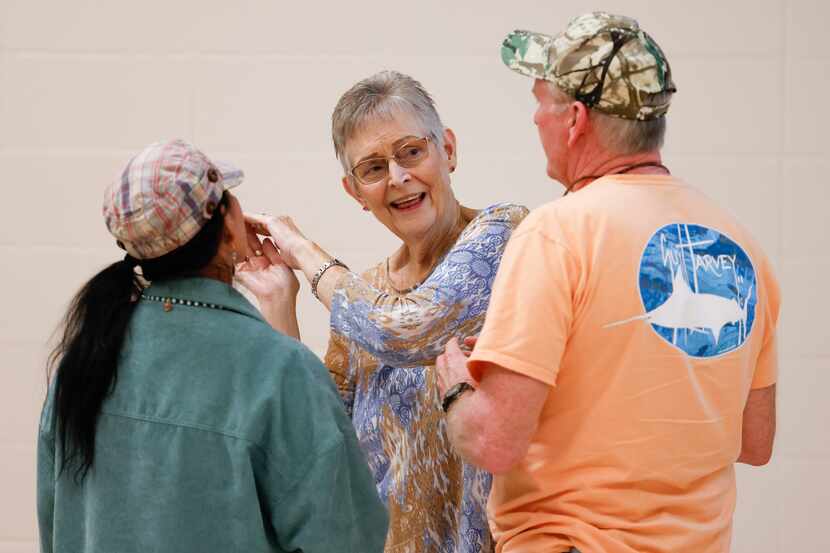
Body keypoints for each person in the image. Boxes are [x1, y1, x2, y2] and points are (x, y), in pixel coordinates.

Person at [435, 12, 780, 553]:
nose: (534, 118)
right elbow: (755, 441)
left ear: (574, 119)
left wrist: (456, 383)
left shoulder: (558, 232)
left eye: (539, 100)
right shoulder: (739, 248)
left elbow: (493, 442)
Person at [37, 139, 388, 553]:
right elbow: (345, 540)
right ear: (228, 226)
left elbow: (57, 527)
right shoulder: (283, 371)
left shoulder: (81, 365)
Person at [244, 71, 527, 553]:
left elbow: (406, 329)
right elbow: (319, 444)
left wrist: (301, 250)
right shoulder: (364, 297)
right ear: (355, 192)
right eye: (373, 168)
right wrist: (278, 305)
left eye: (411, 152)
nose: (398, 177)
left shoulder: (507, 235)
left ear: (449, 151)